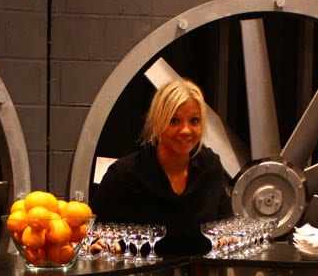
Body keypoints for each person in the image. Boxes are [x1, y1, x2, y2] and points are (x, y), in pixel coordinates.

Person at [91, 79, 232, 255]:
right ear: (158, 123)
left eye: (194, 120)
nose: (185, 130)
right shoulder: (125, 174)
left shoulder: (210, 168)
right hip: (140, 273)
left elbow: (226, 224)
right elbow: (92, 231)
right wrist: (99, 244)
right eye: (174, 121)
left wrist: (227, 238)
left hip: (201, 272)